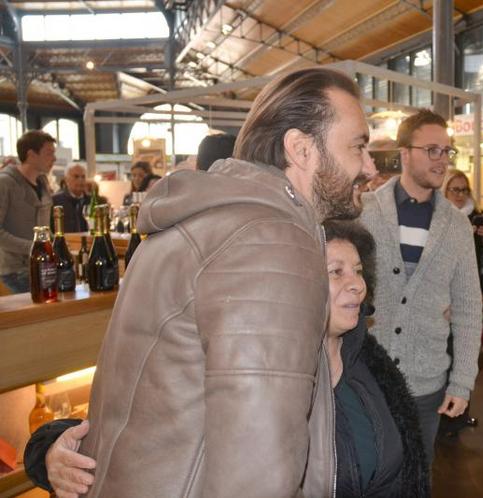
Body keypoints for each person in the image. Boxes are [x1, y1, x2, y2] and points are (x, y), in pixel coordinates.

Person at [20, 67, 376, 498]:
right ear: (301, 149)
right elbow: (257, 468)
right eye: (359, 146)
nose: (370, 167)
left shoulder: (206, 222)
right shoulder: (270, 240)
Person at [25, 220, 430, 498]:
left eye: (358, 271)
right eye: (337, 272)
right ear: (296, 282)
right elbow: (138, 418)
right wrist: (49, 451)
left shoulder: (372, 363)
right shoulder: (261, 363)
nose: (357, 285)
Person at [359, 109, 483, 469]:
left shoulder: (457, 227)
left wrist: (462, 381)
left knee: (417, 474)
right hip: (366, 377)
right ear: (404, 154)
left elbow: (468, 309)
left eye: (447, 151)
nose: (442, 160)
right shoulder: (364, 212)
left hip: (426, 384)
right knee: (366, 473)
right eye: (432, 150)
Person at [0, 130, 56, 293]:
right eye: (49, 153)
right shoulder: (5, 184)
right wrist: (35, 247)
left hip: (43, 268)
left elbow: (45, 227)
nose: (54, 158)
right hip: (13, 273)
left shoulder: (43, 184)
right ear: (31, 155)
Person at [443, 168, 483, 311]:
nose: (460, 195)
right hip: (444, 292)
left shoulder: (477, 215)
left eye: (464, 190)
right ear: (444, 190)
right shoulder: (437, 216)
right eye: (455, 190)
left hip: (474, 290)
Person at [51, 164, 89, 233]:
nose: (80, 180)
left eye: (83, 177)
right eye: (76, 176)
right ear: (66, 180)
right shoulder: (55, 201)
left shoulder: (93, 201)